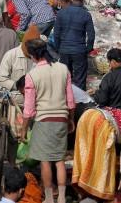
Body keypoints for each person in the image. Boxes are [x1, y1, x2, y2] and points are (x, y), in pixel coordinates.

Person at [20, 39, 75, 203]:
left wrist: (23, 129)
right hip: (61, 118)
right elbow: (70, 100)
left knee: (45, 162)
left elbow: (29, 108)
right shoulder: (63, 69)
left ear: (31, 55)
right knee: (59, 160)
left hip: (43, 120)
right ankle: (63, 197)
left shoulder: (32, 75)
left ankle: (50, 198)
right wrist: (71, 119)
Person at [53, 0, 95, 91]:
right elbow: (91, 36)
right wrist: (88, 50)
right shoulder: (86, 15)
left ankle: (66, 102)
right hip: (79, 50)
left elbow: (56, 33)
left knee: (65, 78)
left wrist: (58, 48)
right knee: (80, 80)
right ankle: (79, 103)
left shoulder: (62, 13)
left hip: (64, 50)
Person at [0, 26, 39, 91]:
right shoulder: (11, 55)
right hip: (16, 97)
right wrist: (17, 85)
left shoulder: (41, 57)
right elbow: (2, 79)